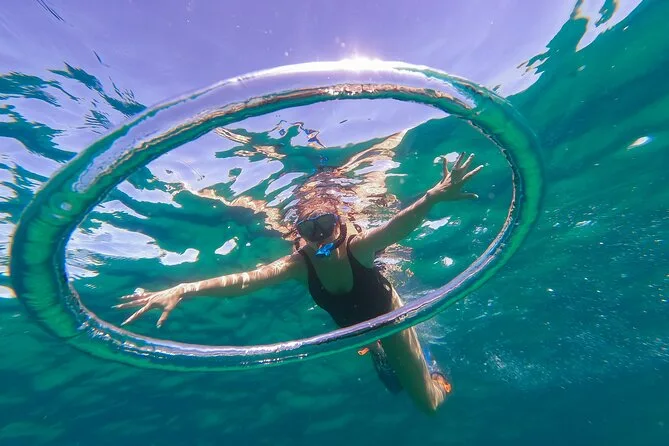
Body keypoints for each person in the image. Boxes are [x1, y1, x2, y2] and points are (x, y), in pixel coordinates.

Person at [116, 152, 483, 413]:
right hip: (357, 327)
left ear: (340, 223)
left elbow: (398, 226)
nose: (321, 236)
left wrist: (433, 196)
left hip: (390, 319)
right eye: (310, 229)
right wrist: (183, 289)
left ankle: (435, 372)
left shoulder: (360, 248)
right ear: (300, 234)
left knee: (428, 404)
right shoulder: (298, 264)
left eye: (327, 224)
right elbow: (244, 283)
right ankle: (378, 353)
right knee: (383, 365)